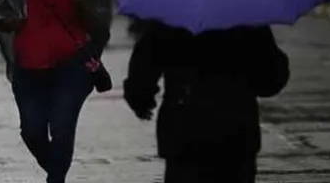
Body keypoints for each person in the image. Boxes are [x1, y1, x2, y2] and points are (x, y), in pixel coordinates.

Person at [0, 0, 112, 183]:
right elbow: (0, 18)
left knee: (62, 128)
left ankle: (55, 179)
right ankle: (55, 169)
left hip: (71, 68)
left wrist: (84, 9)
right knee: (31, 131)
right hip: (28, 69)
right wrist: (8, 22)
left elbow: (100, 29)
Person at [123, 21, 289, 182]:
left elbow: (143, 67)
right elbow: (272, 78)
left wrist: (141, 100)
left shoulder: (171, 18)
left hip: (184, 128)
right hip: (236, 130)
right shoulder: (247, 18)